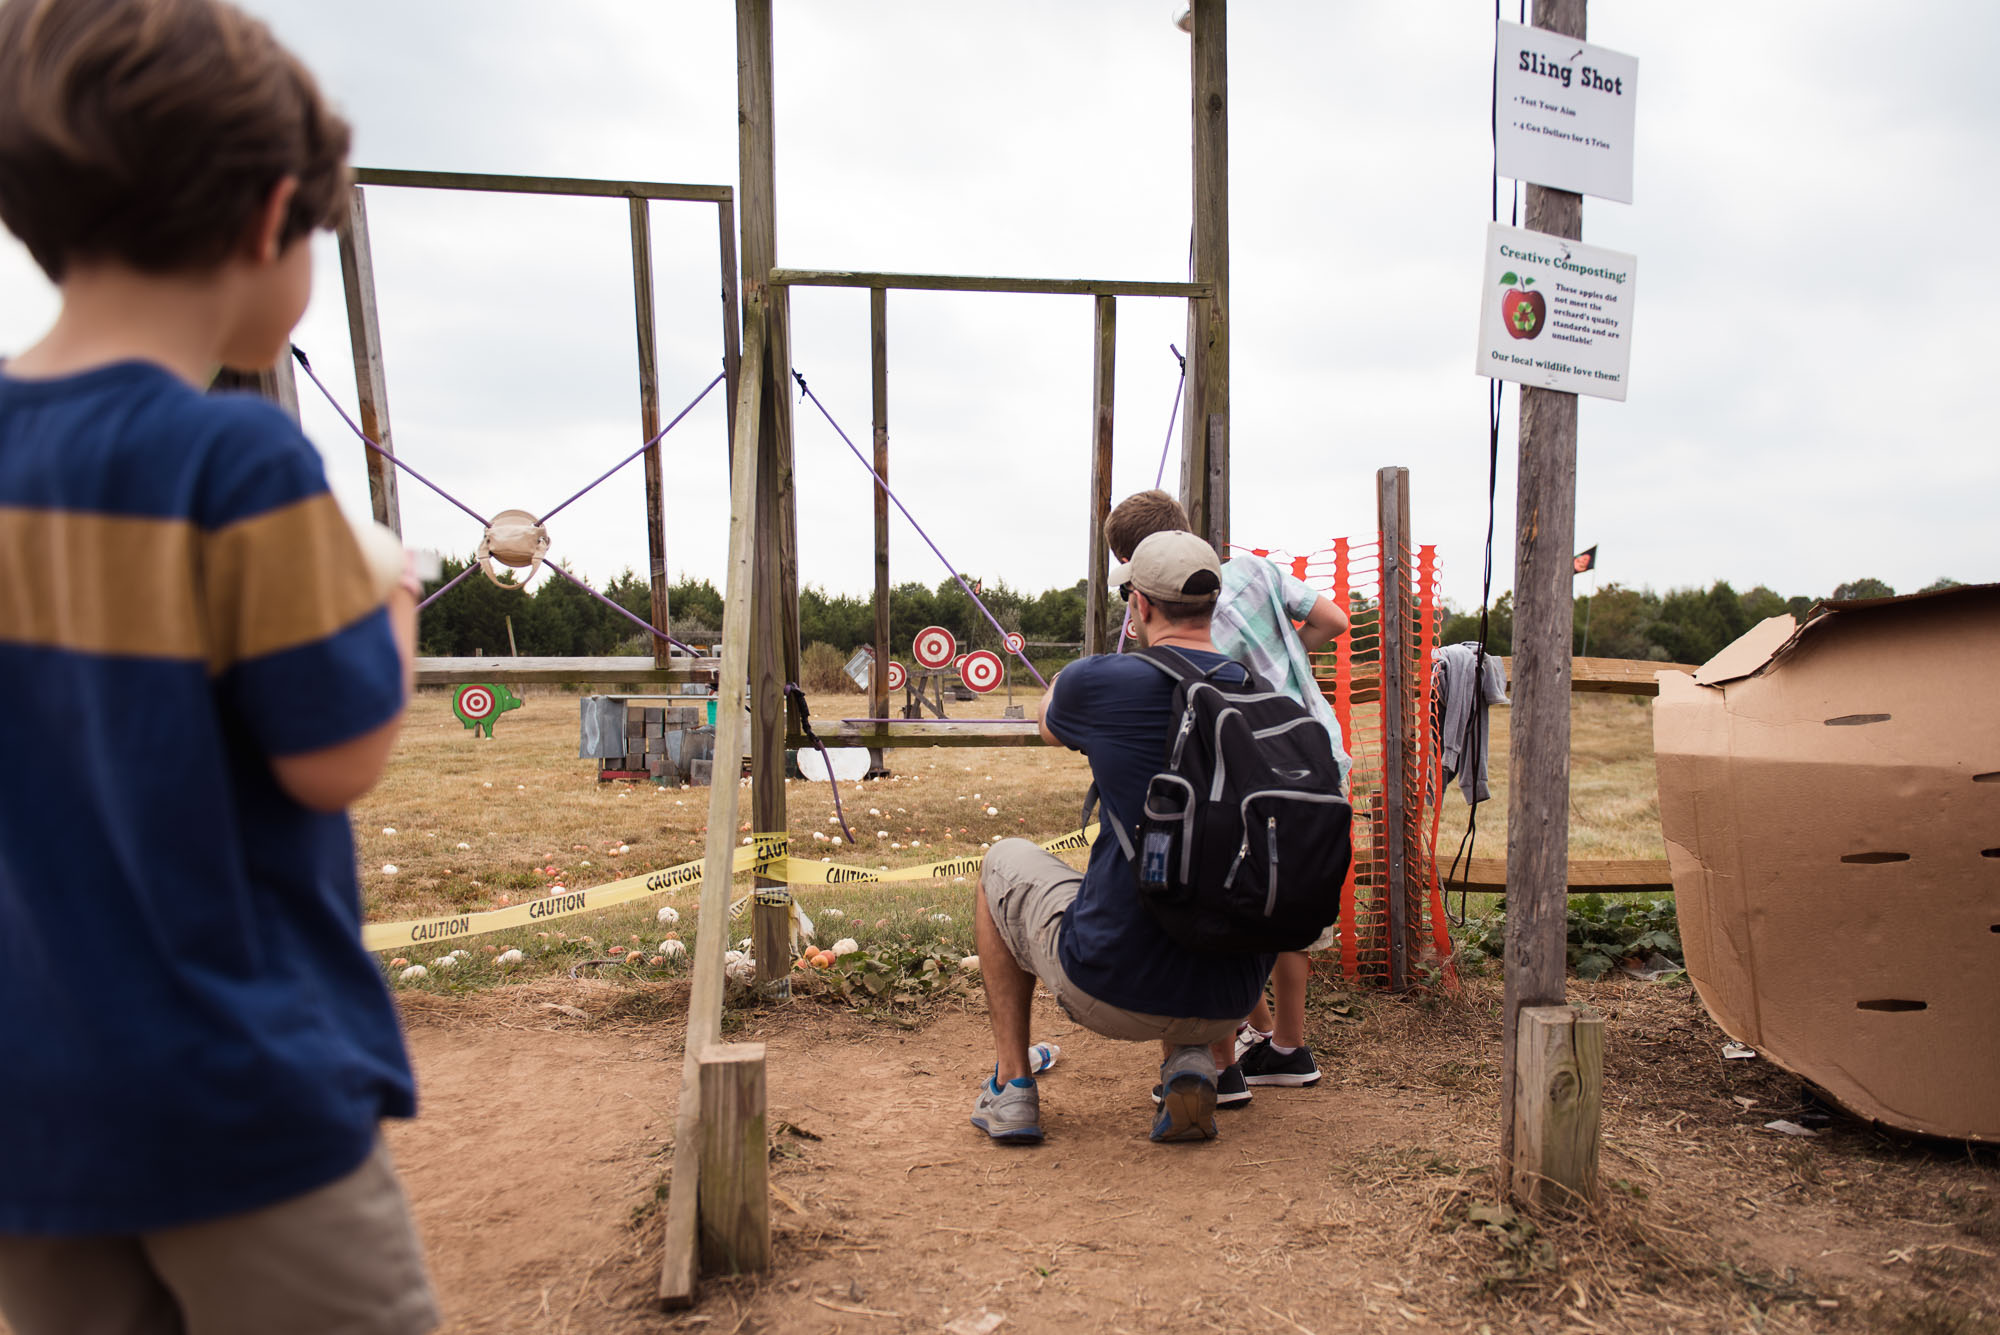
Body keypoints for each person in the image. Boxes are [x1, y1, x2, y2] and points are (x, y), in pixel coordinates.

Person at [0, 1, 437, 1331]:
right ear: (270, 218)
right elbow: (333, 756)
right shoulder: (240, 463)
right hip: (236, 1090)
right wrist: (394, 589)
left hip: (29, 1106)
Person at [972, 530, 1274, 1145]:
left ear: (1139, 606)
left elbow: (1049, 723)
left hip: (1109, 986)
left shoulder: (1101, 682)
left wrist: (1068, 679)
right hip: (1234, 998)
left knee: (1001, 863)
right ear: (1211, 605)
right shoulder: (1260, 695)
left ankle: (1011, 1089)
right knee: (1200, 872)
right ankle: (1191, 1063)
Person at [1104, 490, 1351, 1090]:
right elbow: (1334, 621)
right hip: (1313, 755)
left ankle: (1225, 1061)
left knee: (1216, 898)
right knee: (1288, 906)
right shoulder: (1257, 572)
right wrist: (1281, 667)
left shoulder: (1167, 617)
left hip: (1235, 772)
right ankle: (1287, 1047)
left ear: (1143, 573)